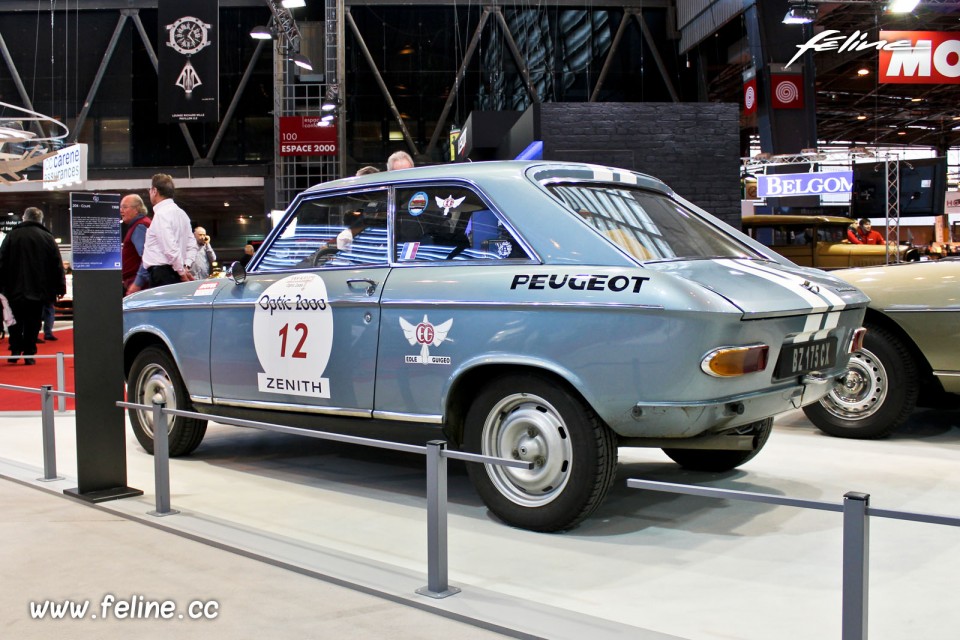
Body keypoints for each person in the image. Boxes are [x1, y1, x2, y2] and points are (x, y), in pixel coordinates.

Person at [0, 207, 65, 365]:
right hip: (39, 289)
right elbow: (56, 264)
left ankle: (15, 350)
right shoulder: (47, 237)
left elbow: (1, 262)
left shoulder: (11, 236)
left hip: (13, 288)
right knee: (33, 321)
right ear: (40, 220)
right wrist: (60, 287)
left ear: (24, 218)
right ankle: (29, 352)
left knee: (14, 320)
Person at [130, 174, 196, 292]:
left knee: (162, 310)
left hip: (163, 275)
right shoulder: (182, 214)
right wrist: (186, 266)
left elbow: (170, 248)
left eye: (150, 189)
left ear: (155, 191)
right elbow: (192, 245)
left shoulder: (161, 215)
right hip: (174, 271)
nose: (150, 192)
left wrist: (182, 273)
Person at [120, 194, 151, 294]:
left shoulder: (139, 226)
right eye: (120, 207)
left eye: (125, 207)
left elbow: (147, 257)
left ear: (136, 209)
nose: (121, 210)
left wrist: (137, 283)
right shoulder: (140, 224)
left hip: (139, 287)